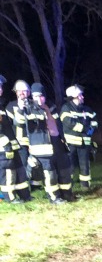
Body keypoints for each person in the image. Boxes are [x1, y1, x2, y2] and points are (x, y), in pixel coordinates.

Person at [31, 83, 76, 202]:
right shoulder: (29, 109)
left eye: (41, 96)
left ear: (44, 96)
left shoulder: (51, 107)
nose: (38, 99)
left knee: (64, 170)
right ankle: (54, 197)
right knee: (50, 174)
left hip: (57, 142)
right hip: (43, 146)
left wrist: (63, 139)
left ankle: (67, 195)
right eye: (35, 96)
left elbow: (59, 124)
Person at [0, 75, 32, 204]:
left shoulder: (1, 105)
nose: (0, 89)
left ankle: (24, 195)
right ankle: (10, 197)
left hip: (13, 143)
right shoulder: (7, 106)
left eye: (1, 86)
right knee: (8, 171)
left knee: (19, 169)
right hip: (3, 145)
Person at [60, 84, 98, 191]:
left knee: (85, 165)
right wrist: (85, 129)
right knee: (70, 166)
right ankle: (69, 187)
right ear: (73, 97)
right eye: (80, 95)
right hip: (71, 144)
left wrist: (91, 130)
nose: (82, 97)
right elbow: (69, 122)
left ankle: (85, 186)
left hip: (85, 143)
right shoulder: (66, 108)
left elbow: (95, 121)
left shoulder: (87, 109)